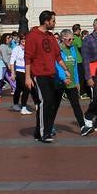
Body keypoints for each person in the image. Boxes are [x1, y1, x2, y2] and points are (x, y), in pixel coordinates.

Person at [25, 10, 63, 142]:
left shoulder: (51, 37)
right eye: (53, 21)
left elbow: (58, 56)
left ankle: (39, 131)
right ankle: (43, 133)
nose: (54, 23)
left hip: (50, 74)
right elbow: (28, 58)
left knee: (50, 103)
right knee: (43, 102)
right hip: (38, 74)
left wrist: (66, 69)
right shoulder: (32, 36)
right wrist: (28, 77)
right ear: (46, 21)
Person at [58, 28, 91, 132]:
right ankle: (47, 127)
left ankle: (82, 127)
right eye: (69, 39)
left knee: (76, 104)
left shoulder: (72, 49)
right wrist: (63, 78)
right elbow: (57, 66)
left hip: (71, 82)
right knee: (54, 106)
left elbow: (75, 65)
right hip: (59, 82)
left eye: (72, 39)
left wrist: (77, 81)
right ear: (62, 39)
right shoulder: (58, 49)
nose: (71, 41)